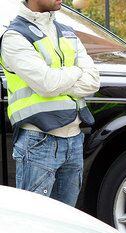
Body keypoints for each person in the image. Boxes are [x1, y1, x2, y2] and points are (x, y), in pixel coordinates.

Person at [0, 0, 100, 207]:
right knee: (35, 225)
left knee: (66, 224)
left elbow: (93, 81)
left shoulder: (67, 32)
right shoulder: (14, 37)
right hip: (38, 142)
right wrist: (77, 72)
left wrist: (59, 78)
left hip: (74, 140)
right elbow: (47, 83)